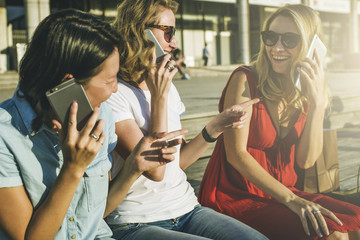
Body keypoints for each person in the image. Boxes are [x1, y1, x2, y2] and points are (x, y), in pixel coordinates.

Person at [0, 9, 185, 239]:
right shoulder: (5, 136)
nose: (115, 89)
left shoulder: (101, 116)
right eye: (109, 81)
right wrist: (73, 168)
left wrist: (132, 168)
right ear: (68, 83)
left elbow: (96, 214)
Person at [105, 0, 267, 239]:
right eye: (167, 31)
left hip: (187, 210)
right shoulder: (114, 93)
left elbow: (176, 164)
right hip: (135, 222)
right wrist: (158, 98)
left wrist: (213, 127)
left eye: (175, 32)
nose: (174, 43)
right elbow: (155, 171)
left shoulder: (167, 87)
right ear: (140, 32)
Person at [198, 4, 360, 240]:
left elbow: (306, 160)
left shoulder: (306, 92)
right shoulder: (245, 79)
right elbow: (236, 154)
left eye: (289, 40)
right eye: (270, 37)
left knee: (354, 225)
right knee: (331, 234)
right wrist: (292, 200)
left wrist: (316, 104)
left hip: (284, 193)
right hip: (236, 195)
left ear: (309, 45)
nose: (276, 47)